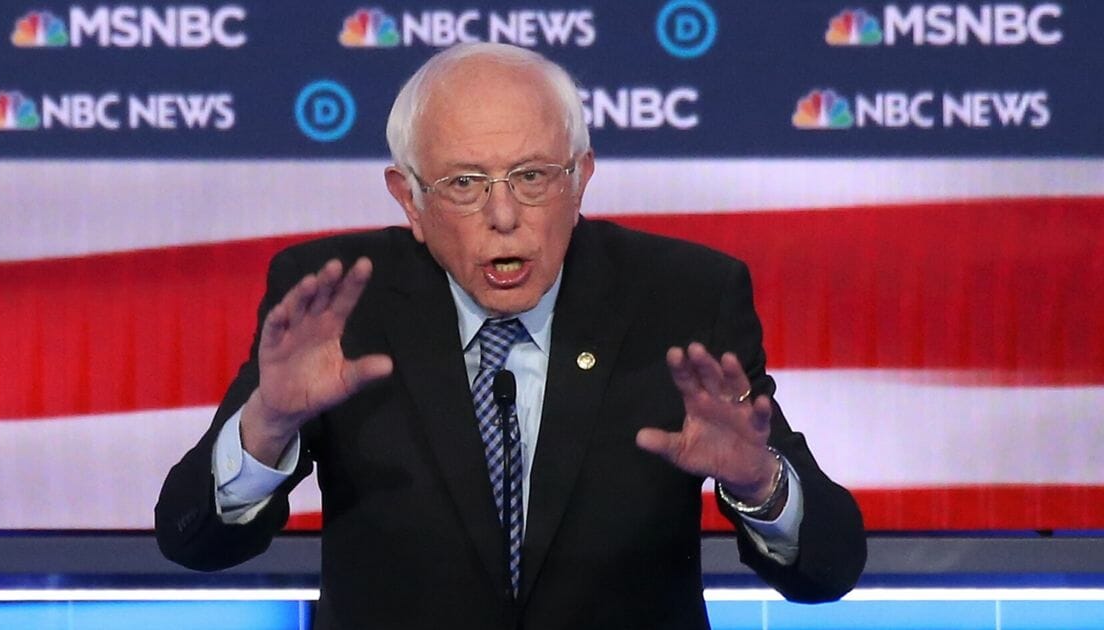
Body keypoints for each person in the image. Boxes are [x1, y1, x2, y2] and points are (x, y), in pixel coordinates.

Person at [156, 42, 865, 629]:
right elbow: (194, 540)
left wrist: (759, 483)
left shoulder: (682, 299)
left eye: (533, 176)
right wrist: (269, 424)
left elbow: (830, 566)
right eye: (464, 183)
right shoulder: (341, 302)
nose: (503, 214)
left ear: (581, 178)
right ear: (409, 199)